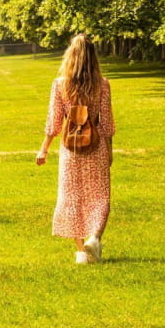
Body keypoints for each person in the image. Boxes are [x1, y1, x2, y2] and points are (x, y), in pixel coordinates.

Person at [36, 34, 115, 264]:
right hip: (96, 146)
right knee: (100, 196)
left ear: (71, 55)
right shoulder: (103, 84)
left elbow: (54, 121)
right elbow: (107, 122)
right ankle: (94, 237)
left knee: (71, 197)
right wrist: (109, 149)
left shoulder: (61, 84)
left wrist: (44, 150)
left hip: (70, 149)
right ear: (92, 57)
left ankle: (82, 252)